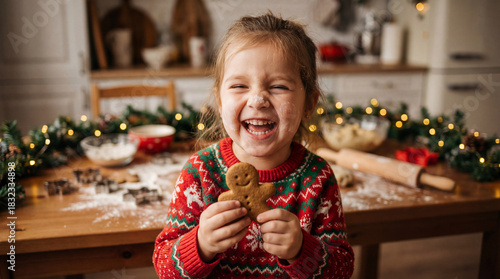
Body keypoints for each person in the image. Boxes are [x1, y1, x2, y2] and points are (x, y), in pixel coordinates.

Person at [153, 12, 354, 279]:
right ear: (220, 101)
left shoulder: (317, 178)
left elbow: (342, 270)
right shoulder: (199, 173)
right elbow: (165, 268)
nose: (258, 99)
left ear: (309, 103)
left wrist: (302, 251)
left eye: (279, 86)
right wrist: (200, 245)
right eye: (239, 85)